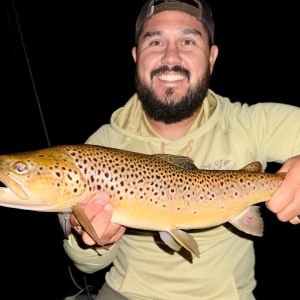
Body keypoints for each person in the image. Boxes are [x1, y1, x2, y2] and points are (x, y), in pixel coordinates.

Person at [63, 0, 300, 299]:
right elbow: (87, 266)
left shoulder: (252, 123)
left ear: (211, 57)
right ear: (136, 57)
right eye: (156, 41)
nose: (170, 56)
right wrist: (91, 241)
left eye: (188, 41)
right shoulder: (100, 148)